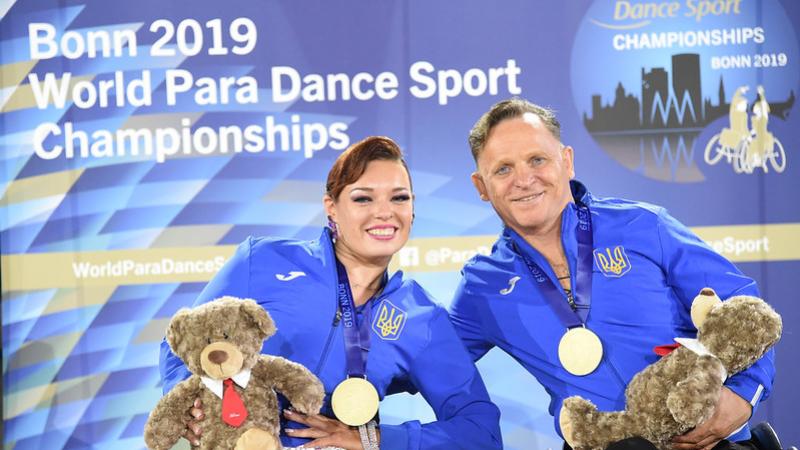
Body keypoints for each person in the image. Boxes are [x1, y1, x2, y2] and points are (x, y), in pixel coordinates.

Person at [449, 98, 775, 450]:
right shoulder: (482, 286)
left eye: (537, 160)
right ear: (481, 187)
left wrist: (742, 397)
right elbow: (422, 357)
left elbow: (745, 311)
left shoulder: (644, 225)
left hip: (709, 442)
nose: (524, 179)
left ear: (566, 161)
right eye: (503, 169)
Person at [159, 136, 502, 450]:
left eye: (399, 198)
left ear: (412, 209)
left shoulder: (421, 316)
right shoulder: (263, 260)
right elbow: (183, 343)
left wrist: (373, 439)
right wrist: (192, 407)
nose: (384, 212)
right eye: (363, 198)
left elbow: (479, 430)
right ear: (331, 207)